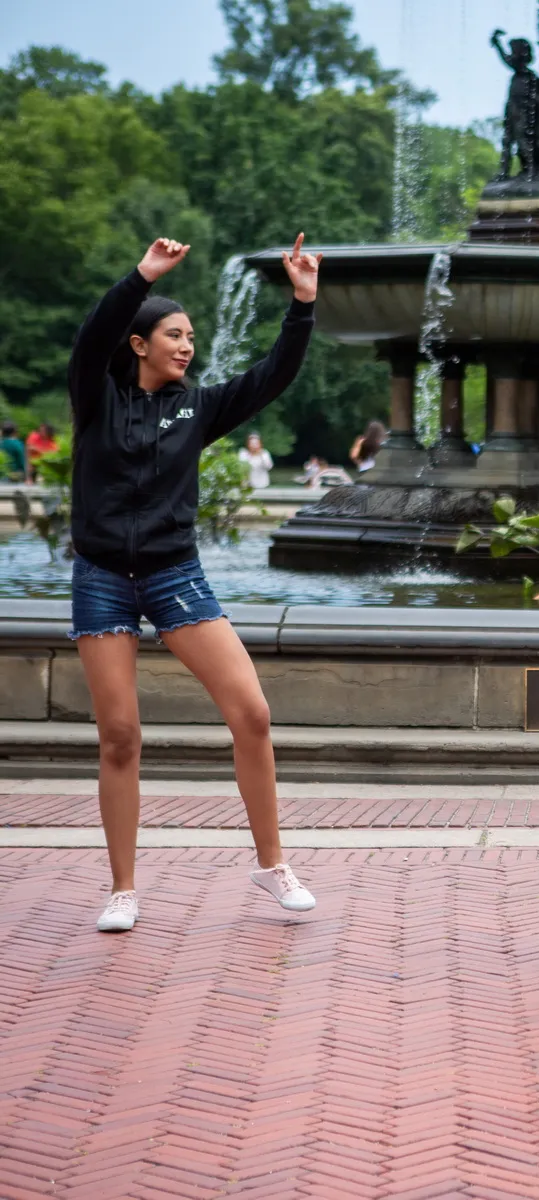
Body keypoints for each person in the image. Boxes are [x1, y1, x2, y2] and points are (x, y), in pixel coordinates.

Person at [68, 234, 322, 934]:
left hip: (174, 573)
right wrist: (142, 277)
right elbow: (91, 339)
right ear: (139, 344)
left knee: (253, 714)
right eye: (174, 335)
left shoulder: (197, 409)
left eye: (190, 336)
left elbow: (272, 375)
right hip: (101, 578)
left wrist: (302, 302)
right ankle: (123, 889)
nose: (187, 346)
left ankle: (272, 865)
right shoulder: (95, 397)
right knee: (120, 735)